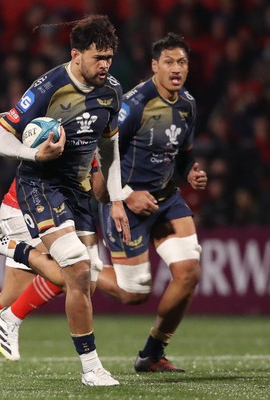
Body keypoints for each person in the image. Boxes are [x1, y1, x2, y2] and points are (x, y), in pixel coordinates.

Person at [0, 15, 130, 386]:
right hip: (40, 183)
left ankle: (6, 245)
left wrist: (115, 199)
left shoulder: (112, 91)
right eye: (98, 57)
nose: (104, 65)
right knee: (78, 269)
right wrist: (33, 154)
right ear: (76, 55)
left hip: (78, 191)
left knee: (79, 280)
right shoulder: (49, 86)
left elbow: (110, 147)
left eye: (109, 58)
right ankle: (91, 369)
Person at [97, 32, 207, 373]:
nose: (177, 68)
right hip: (126, 201)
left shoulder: (187, 104)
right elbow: (103, 155)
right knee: (135, 294)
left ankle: (152, 353)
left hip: (166, 199)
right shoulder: (135, 104)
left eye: (183, 62)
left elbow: (184, 154)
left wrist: (191, 173)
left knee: (189, 273)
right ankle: (75, 267)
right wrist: (125, 195)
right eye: (170, 62)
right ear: (154, 66)